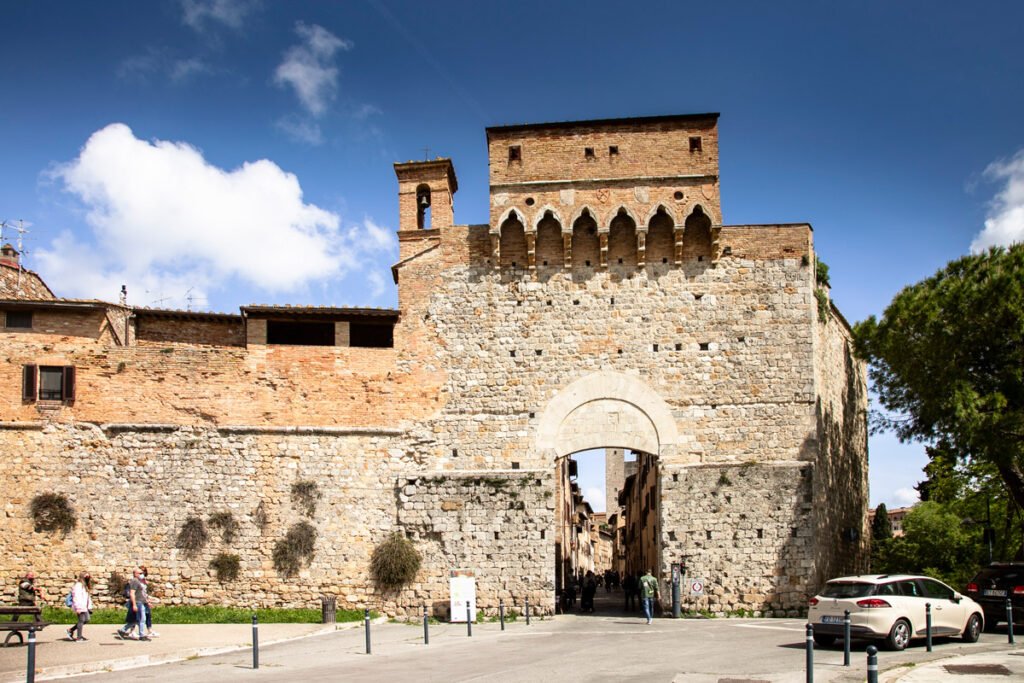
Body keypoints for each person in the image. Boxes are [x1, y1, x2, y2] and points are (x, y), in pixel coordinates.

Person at [118, 568, 149, 640]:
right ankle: (142, 635)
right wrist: (134, 604)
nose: (142, 574)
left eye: (142, 573)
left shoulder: (138, 581)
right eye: (140, 573)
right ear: (135, 574)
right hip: (138, 602)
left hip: (142, 602)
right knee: (142, 619)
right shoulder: (135, 581)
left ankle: (122, 631)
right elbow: (132, 593)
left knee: (136, 620)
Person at [66, 572, 93, 641]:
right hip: (80, 606)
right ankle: (79, 637)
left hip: (84, 606)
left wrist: (89, 607)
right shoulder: (78, 585)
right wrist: (78, 608)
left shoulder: (84, 586)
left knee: (87, 619)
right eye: (86, 577)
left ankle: (70, 630)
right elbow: (76, 597)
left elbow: (87, 598)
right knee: (81, 621)